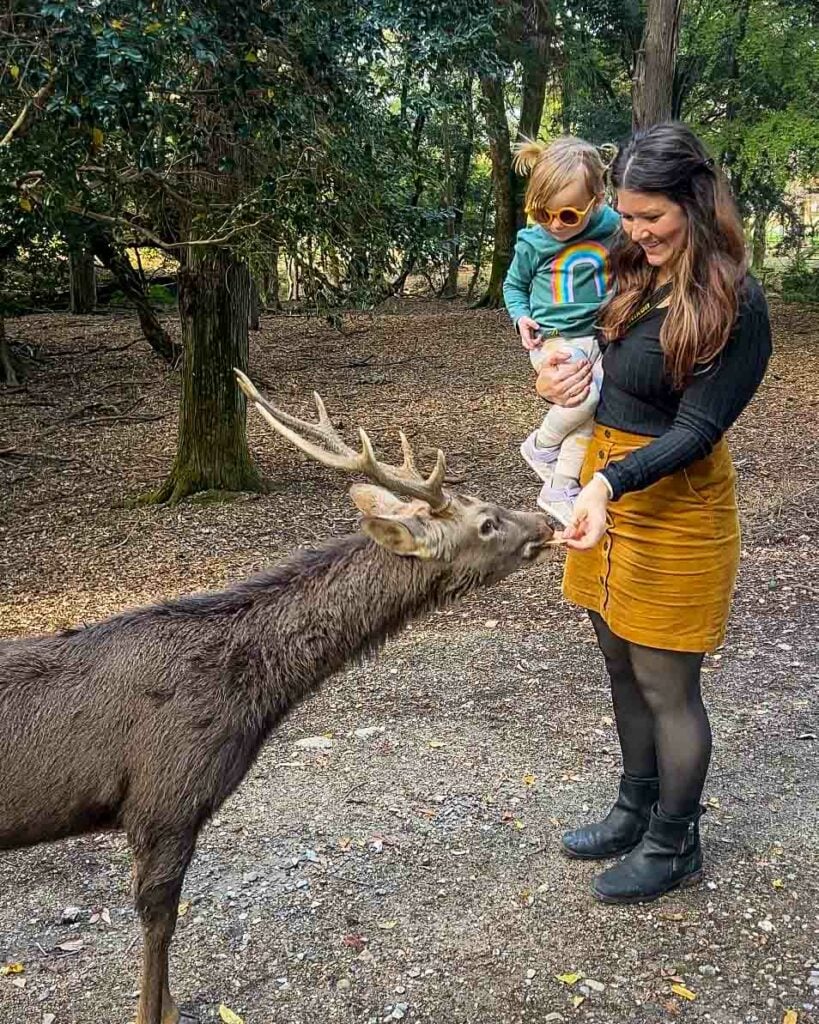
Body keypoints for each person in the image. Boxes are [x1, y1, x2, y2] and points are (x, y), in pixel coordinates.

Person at [539, 122, 772, 904]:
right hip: (606, 487)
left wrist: (607, 486)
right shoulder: (633, 268)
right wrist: (563, 381)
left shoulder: (734, 300)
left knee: (665, 681)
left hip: (675, 501)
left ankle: (675, 841)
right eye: (628, 216)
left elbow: (697, 429)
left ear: (695, 202)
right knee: (617, 664)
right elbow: (608, 366)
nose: (636, 233)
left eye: (652, 218)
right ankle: (632, 806)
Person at [503, 137, 620, 526]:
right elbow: (513, 286)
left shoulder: (613, 226)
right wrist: (521, 317)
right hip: (552, 338)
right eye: (542, 213)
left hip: (596, 337)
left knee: (591, 412)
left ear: (597, 199)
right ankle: (540, 446)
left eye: (569, 216)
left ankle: (561, 486)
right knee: (583, 399)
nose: (555, 224)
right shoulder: (533, 242)